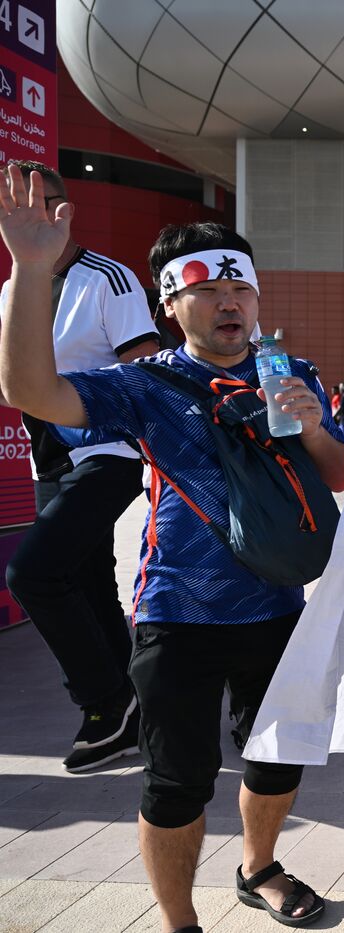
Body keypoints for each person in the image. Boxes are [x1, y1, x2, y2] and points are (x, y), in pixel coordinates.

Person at [0, 168, 344, 932]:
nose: (230, 302)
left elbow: (338, 473)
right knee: (175, 783)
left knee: (275, 761)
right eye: (205, 289)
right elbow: (32, 390)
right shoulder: (143, 383)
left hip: (276, 602)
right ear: (168, 302)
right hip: (176, 612)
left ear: (256, 296)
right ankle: (178, 921)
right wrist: (31, 271)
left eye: (241, 288)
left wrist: (315, 427)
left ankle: (258, 866)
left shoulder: (292, 373)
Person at [0, 160, 160, 773]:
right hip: (49, 458)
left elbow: (142, 365)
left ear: (65, 210)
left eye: (44, 203)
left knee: (33, 573)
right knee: (86, 582)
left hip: (107, 451)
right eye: (17, 204)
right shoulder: (16, 287)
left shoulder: (109, 278)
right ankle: (132, 709)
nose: (32, 214)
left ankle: (103, 701)